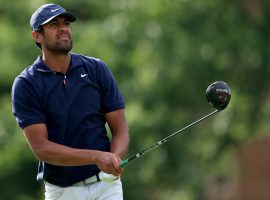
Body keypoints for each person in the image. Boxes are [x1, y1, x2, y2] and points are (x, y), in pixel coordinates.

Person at [11, 3, 129, 200]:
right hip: (64, 191)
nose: (63, 28)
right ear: (37, 36)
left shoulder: (96, 69)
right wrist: (97, 156)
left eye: (66, 23)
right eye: (54, 24)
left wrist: (114, 159)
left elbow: (121, 129)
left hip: (107, 186)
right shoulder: (26, 84)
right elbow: (42, 148)